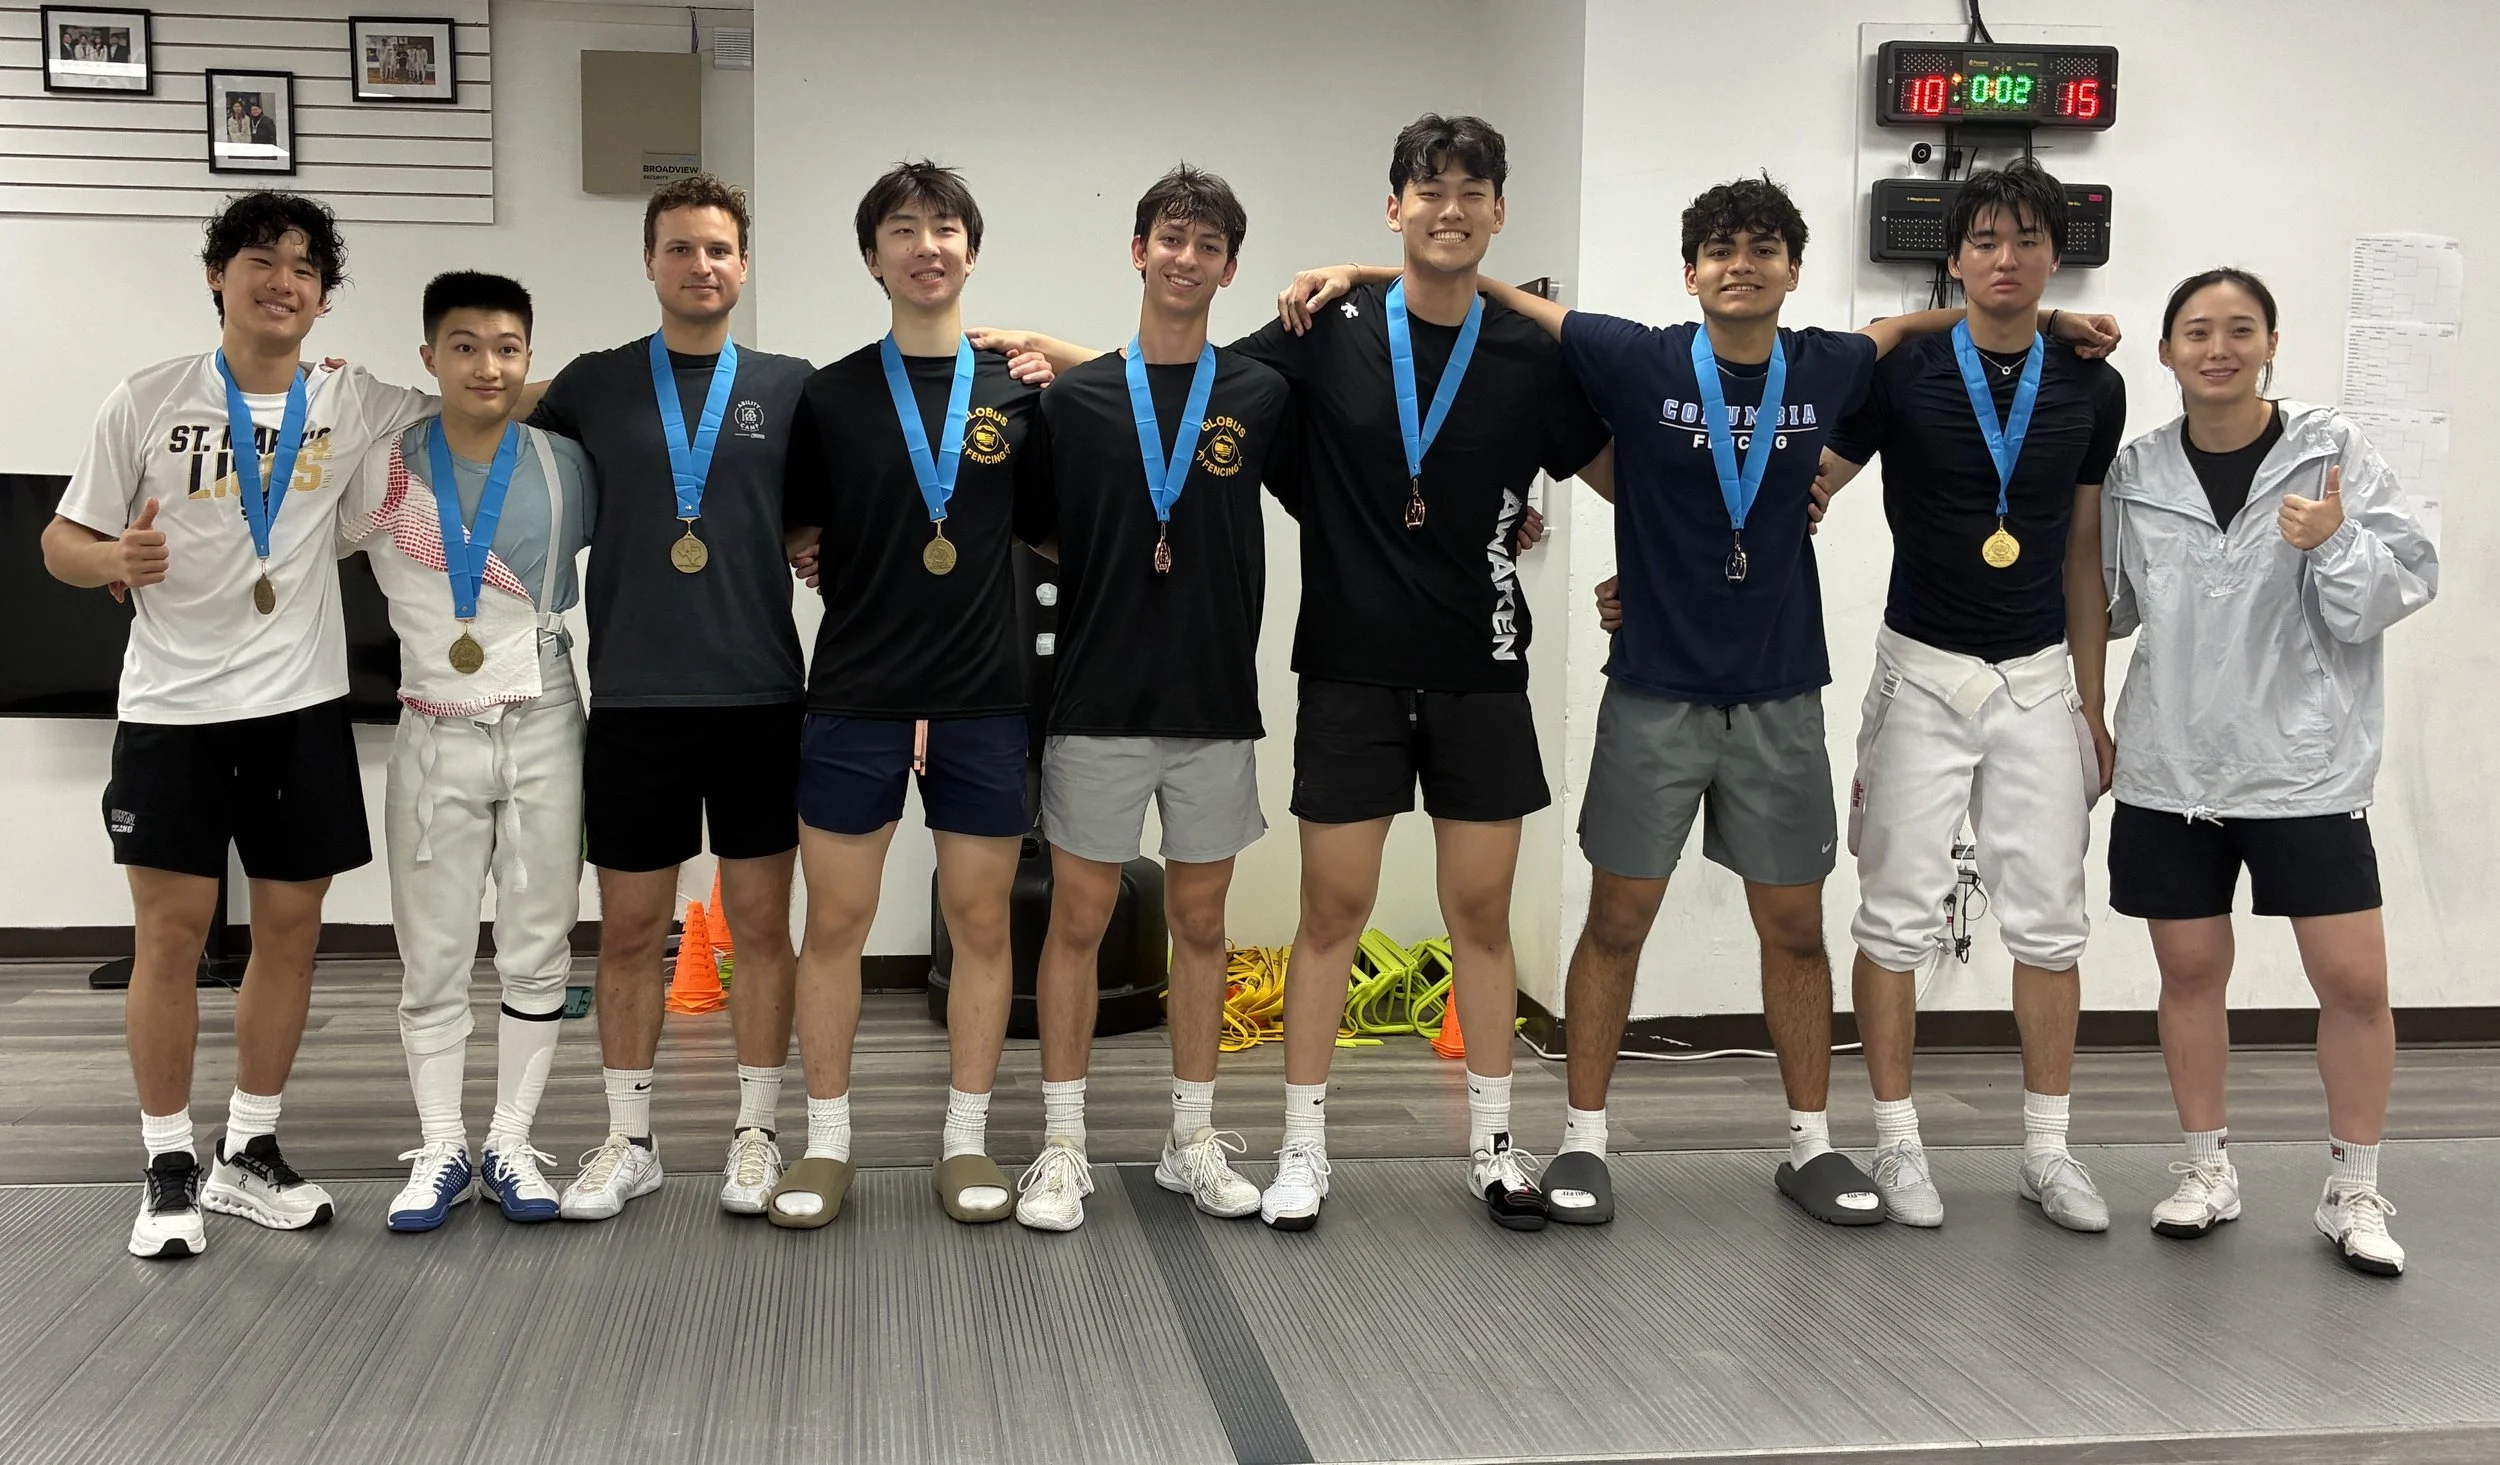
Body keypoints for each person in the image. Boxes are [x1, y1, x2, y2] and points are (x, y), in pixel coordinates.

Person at [1442, 173, 2108, 1230]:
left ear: (1794, 270)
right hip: (1654, 689)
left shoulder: (1830, 364)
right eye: (1719, 250)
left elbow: (1899, 324)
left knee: (1794, 928)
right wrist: (1350, 272)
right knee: (1618, 917)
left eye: (1762, 249)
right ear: (1690, 272)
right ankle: (1581, 1140)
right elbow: (1499, 295)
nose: (1739, 265)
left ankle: (1810, 1144)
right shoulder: (1640, 355)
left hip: (1781, 692)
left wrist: (2052, 317)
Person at [43, 191, 438, 1258]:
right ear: (216, 275)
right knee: (169, 940)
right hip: (172, 712)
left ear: (322, 297)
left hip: (298, 711)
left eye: (305, 268)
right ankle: (167, 1161)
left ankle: (248, 1150)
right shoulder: (148, 398)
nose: (283, 279)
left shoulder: (347, 402)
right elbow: (59, 540)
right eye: (260, 258)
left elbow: (492, 388)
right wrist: (111, 561)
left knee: (291, 934)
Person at [2102, 268, 2435, 1275]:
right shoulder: (2135, 470)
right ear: (2164, 354)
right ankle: (2205, 1167)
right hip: (2172, 769)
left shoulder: (2329, 454)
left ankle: (2354, 1187)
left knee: (2352, 980)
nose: (2218, 346)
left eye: (2238, 329)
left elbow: (2394, 588)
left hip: (2306, 770)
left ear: (2270, 343)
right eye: (2196, 330)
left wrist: (2333, 543)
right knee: (2190, 972)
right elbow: (2107, 605)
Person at [1818, 159, 2128, 1234]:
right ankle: (1896, 1140)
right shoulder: (1898, 374)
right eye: (1986, 240)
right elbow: (1808, 487)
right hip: (1919, 671)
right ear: (1953, 258)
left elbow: (2084, 551)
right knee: (1894, 916)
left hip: (2039, 676)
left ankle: (2047, 1148)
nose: (2008, 259)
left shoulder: (2090, 380)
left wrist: (2093, 706)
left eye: (2028, 240)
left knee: (2050, 923)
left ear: (2056, 254)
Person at [1009, 165, 1295, 1232]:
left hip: (1214, 699)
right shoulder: (1072, 401)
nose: (1185, 257)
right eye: (1169, 238)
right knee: (1077, 920)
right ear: (1139, 252)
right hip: (1096, 695)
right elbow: (1038, 530)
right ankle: (1064, 1143)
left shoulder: (1259, 395)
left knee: (1202, 923)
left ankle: (1190, 1137)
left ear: (1228, 267)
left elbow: (1344, 486)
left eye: (1208, 243)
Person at [769, 161, 1053, 1229]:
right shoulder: (830, 394)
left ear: (970, 250)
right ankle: (827, 1143)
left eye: (944, 227)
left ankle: (966, 1141)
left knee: (980, 920)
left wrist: (1053, 364)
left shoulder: (1018, 391)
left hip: (984, 694)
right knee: (834, 920)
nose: (925, 243)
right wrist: (826, 560)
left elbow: (1054, 524)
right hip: (857, 692)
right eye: (903, 227)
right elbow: (799, 526)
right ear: (873, 254)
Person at [527, 174, 812, 1224]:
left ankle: (754, 1132)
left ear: (744, 265)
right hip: (637, 701)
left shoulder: (790, 388)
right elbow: (494, 438)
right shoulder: (591, 387)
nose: (701, 266)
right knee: (632, 930)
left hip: (760, 698)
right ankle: (629, 1136)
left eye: (719, 250)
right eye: (681, 249)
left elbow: (826, 514)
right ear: (650, 264)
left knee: (758, 929)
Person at [339, 271, 595, 1231]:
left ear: (528, 359)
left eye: (506, 348)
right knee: (434, 949)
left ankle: (512, 1137)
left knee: (539, 942)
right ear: (428, 357)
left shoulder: (570, 465)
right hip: (431, 720)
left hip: (545, 710)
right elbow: (284, 550)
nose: (487, 365)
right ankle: (442, 1141)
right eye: (464, 346)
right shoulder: (382, 469)